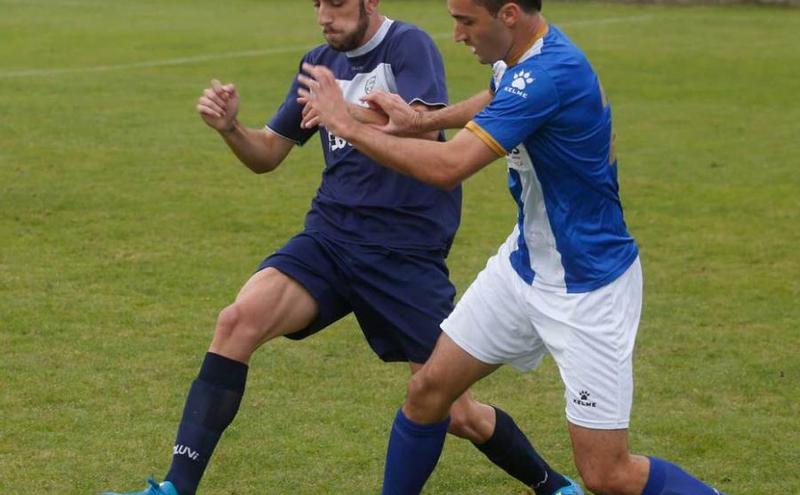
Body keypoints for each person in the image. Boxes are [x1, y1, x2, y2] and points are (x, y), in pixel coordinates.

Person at [102, 1, 585, 495]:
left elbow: (422, 128)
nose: (324, 16)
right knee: (236, 322)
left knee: (456, 412)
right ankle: (175, 487)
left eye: (336, 3)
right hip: (330, 239)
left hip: (403, 254)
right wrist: (231, 128)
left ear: (369, 1)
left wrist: (348, 116)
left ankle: (552, 484)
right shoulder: (319, 63)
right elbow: (267, 153)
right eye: (317, 4)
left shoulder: (407, 45)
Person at [297, 0, 729, 494]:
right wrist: (419, 122)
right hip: (523, 268)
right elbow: (497, 94)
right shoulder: (522, 60)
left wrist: (348, 126)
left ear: (507, 14)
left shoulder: (547, 75)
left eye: (466, 22)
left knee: (608, 475)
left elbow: (447, 168)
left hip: (587, 288)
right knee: (428, 391)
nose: (457, 36)